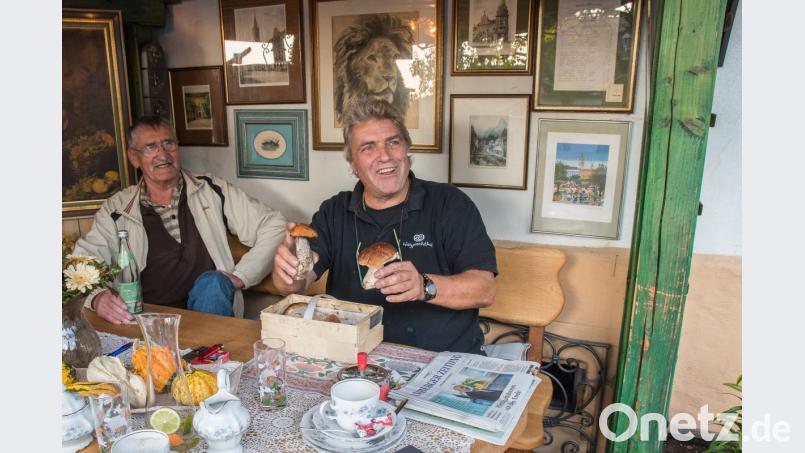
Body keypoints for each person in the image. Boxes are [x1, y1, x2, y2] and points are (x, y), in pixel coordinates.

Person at [272, 100, 497, 353]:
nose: (385, 156)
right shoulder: (334, 211)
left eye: (393, 142)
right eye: (368, 147)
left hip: (440, 358)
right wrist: (289, 271)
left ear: (406, 151)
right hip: (357, 356)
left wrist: (423, 286)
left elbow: (485, 289)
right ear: (353, 165)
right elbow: (295, 285)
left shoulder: (449, 203)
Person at [74, 115, 287, 324]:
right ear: (134, 157)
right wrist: (97, 297)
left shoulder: (212, 189)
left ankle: (206, 356)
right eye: (150, 147)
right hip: (146, 320)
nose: (163, 154)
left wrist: (243, 275)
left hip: (209, 311)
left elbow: (275, 225)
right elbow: (81, 262)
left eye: (168, 143)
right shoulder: (117, 208)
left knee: (213, 283)